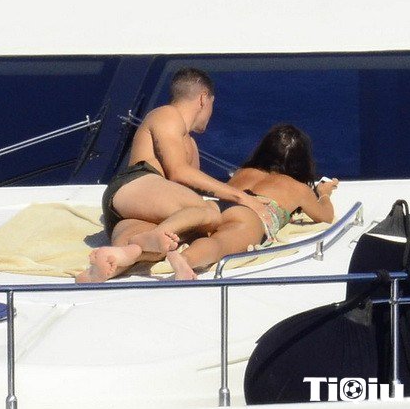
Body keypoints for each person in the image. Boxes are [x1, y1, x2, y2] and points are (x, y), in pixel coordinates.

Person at [76, 67, 271, 283]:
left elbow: (181, 193)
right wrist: (241, 197)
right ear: (203, 99)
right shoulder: (167, 114)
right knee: (207, 213)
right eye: (212, 105)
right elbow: (178, 172)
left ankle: (114, 262)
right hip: (136, 183)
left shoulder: (191, 144)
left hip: (132, 210)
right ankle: (153, 237)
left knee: (159, 244)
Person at [167, 123, 339, 280]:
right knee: (220, 243)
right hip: (249, 215)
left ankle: (162, 238)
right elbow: (325, 217)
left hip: (219, 205)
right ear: (301, 163)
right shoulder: (299, 189)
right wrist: (324, 194)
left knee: (194, 228)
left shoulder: (242, 172)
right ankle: (186, 259)